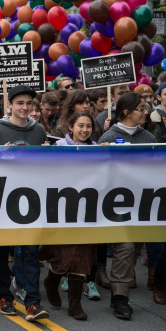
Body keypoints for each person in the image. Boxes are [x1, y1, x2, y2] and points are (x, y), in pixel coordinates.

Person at [0, 85, 49, 321]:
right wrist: (0, 156)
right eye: (20, 103)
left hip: (30, 199)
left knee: (31, 251)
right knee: (2, 251)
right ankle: (4, 295)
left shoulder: (39, 130)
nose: (25, 107)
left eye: (29, 103)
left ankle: (33, 302)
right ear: (9, 105)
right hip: (3, 198)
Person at [98, 92, 157, 319]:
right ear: (126, 112)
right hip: (116, 204)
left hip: (144, 204)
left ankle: (120, 283)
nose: (145, 112)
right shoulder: (109, 136)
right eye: (141, 108)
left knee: (135, 248)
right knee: (126, 246)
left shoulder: (149, 138)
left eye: (145, 108)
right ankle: (119, 297)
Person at [44, 112, 102, 320]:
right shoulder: (58, 147)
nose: (84, 130)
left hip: (88, 209)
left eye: (88, 126)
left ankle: (75, 304)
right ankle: (52, 279)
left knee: (83, 255)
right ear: (71, 127)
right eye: (80, 125)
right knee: (65, 254)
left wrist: (113, 155)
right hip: (63, 208)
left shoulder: (97, 150)